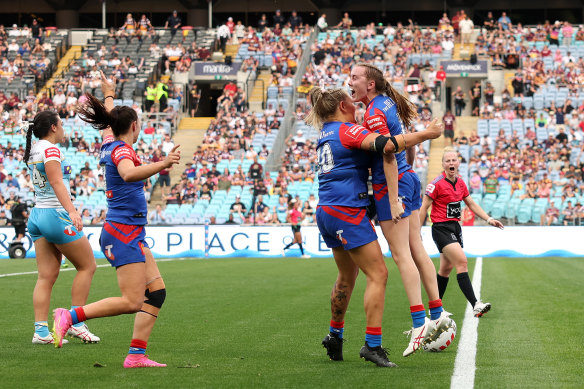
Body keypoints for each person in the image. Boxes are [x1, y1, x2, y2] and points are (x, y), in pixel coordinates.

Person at [52, 71, 181, 368]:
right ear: (134, 126)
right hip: (123, 233)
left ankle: (136, 356)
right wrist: (162, 163)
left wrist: (108, 93)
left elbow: (109, 121)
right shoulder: (122, 150)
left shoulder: (111, 142)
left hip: (128, 231)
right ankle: (70, 317)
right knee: (132, 301)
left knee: (156, 293)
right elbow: (127, 173)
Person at [306, 87, 441, 367]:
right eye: (351, 105)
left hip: (326, 210)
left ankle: (335, 335)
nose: (358, 109)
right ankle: (373, 345)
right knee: (378, 273)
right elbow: (388, 146)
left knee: (346, 276)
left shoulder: (325, 134)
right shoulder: (347, 130)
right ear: (344, 105)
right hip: (347, 211)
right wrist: (426, 134)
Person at [350, 63, 452, 357]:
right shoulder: (386, 103)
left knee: (400, 255)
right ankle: (437, 312)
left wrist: (393, 199)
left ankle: (419, 322)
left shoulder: (373, 112)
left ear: (370, 84)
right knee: (416, 248)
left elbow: (389, 153)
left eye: (355, 78)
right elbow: (404, 142)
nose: (350, 82)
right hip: (409, 180)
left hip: (390, 186)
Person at [23, 111, 100, 345]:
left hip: (37, 214)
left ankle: (41, 331)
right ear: (53, 128)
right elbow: (56, 181)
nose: (64, 128)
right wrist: (72, 211)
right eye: (62, 124)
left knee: (45, 277)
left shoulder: (33, 148)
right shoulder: (51, 149)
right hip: (55, 214)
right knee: (87, 266)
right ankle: (76, 323)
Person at [420, 148, 503, 317]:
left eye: (454, 160)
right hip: (441, 228)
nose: (451, 163)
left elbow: (471, 204)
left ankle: (435, 309)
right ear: (443, 164)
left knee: (445, 269)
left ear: (458, 163)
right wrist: (416, 230)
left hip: (455, 228)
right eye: (447, 161)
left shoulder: (460, 183)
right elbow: (424, 207)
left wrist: (489, 219)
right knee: (462, 262)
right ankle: (475, 304)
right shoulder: (436, 184)